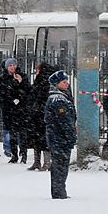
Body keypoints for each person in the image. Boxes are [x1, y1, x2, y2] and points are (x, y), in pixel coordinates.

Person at [44, 69, 77, 199]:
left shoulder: (60, 97)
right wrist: (70, 135)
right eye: (63, 82)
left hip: (57, 136)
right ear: (57, 84)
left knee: (60, 164)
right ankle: (59, 192)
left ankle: (60, 190)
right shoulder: (58, 100)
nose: (67, 85)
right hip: (59, 137)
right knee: (60, 165)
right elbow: (64, 121)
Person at [0, 57, 28, 163]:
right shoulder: (2, 79)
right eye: (10, 65)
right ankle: (14, 154)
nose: (12, 67)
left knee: (22, 132)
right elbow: (1, 93)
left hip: (21, 109)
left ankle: (23, 153)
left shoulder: (22, 76)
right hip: (9, 109)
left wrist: (20, 83)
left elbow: (27, 90)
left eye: (14, 65)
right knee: (11, 133)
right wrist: (11, 100)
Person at [25, 62, 56, 171]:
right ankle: (38, 161)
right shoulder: (42, 82)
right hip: (38, 115)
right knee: (38, 139)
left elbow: (38, 97)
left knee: (42, 139)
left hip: (41, 115)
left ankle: (45, 162)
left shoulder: (45, 83)